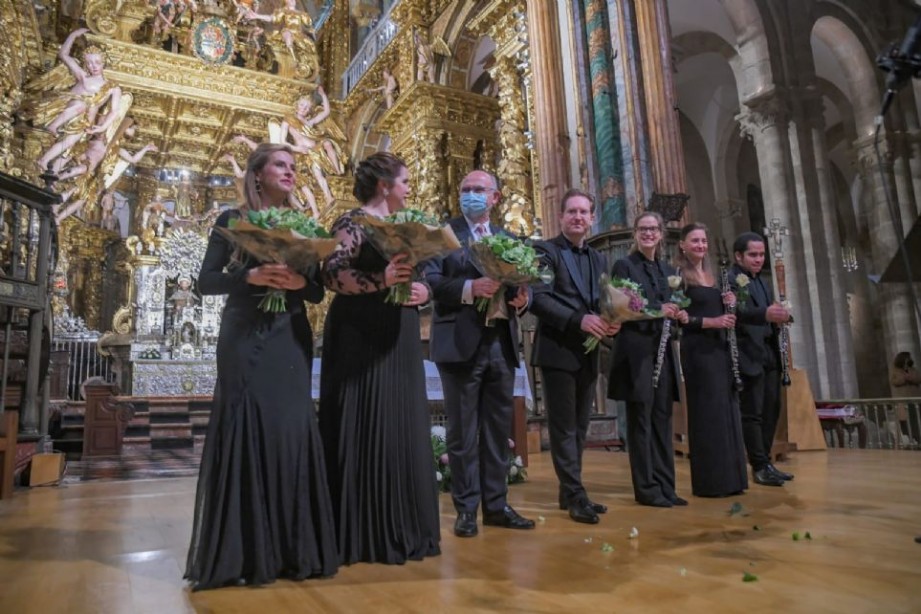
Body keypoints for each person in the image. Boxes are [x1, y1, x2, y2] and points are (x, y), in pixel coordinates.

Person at [185, 143, 337, 590]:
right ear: (257, 174)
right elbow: (205, 282)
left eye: (294, 167)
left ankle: (293, 550)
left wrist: (298, 280)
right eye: (281, 165)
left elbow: (316, 293)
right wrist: (249, 276)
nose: (290, 172)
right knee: (247, 425)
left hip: (289, 335)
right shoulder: (232, 220)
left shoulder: (306, 226)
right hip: (245, 334)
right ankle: (244, 551)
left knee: (290, 429)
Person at [319, 152, 440, 565]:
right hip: (360, 333)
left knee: (401, 421)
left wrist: (423, 291)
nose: (409, 187)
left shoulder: (408, 227)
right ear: (384, 186)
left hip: (400, 331)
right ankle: (362, 533)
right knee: (365, 418)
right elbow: (331, 272)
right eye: (404, 181)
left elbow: (422, 275)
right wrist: (380, 279)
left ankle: (404, 526)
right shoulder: (352, 222)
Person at [423, 170, 533, 538]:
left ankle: (497, 506)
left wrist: (523, 298)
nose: (470, 195)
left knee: (498, 431)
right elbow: (432, 282)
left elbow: (523, 284)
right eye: (465, 189)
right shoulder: (444, 236)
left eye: (478, 190)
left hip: (500, 343)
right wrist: (472, 287)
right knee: (462, 433)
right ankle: (467, 509)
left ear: (495, 198)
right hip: (459, 344)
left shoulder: (508, 239)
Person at [530, 189, 621, 524]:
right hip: (557, 349)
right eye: (572, 211)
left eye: (584, 212)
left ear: (592, 218)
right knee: (564, 427)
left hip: (587, 350)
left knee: (580, 426)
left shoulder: (598, 258)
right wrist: (578, 320)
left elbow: (602, 301)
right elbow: (539, 298)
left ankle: (569, 492)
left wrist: (612, 320)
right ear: (561, 217)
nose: (578, 217)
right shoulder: (545, 250)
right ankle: (576, 494)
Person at [608, 211, 689, 508]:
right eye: (643, 229)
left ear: (661, 234)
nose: (648, 233)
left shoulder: (668, 270)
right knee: (641, 422)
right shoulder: (625, 265)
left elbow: (670, 311)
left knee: (662, 420)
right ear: (635, 233)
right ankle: (647, 488)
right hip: (637, 354)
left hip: (663, 353)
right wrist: (658, 310)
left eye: (653, 228)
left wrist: (678, 314)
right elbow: (621, 309)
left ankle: (667, 486)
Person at [675, 222, 748, 498]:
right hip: (698, 352)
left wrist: (730, 302)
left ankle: (733, 479)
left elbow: (727, 314)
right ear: (682, 245)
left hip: (720, 349)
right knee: (707, 413)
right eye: (695, 240)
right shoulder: (679, 276)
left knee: (727, 411)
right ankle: (712, 482)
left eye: (704, 241)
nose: (701, 245)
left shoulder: (715, 276)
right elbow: (681, 319)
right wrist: (712, 321)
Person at [731, 232, 794, 486]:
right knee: (753, 413)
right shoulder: (732, 279)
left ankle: (766, 462)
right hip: (748, 353)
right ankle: (758, 465)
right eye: (753, 255)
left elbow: (768, 311)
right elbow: (736, 311)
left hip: (769, 352)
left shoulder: (762, 282)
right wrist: (766, 314)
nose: (759, 259)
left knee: (772, 409)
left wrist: (782, 316)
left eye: (761, 255)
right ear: (739, 256)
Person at [34, 28, 122, 174]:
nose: (93, 66)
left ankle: (44, 160)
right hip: (70, 109)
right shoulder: (83, 76)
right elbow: (63, 55)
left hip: (85, 122)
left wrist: (102, 128)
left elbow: (114, 111)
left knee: (69, 142)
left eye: (97, 62)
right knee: (81, 105)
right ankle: (53, 125)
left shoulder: (113, 87)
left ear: (104, 62)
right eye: (89, 63)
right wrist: (73, 35)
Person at [890, 351, 921, 447]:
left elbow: (918, 378)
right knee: (905, 421)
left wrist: (910, 377)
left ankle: (918, 439)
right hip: (903, 400)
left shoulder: (913, 369)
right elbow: (894, 381)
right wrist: (904, 378)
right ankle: (910, 439)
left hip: (915, 399)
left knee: (916, 420)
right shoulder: (895, 370)